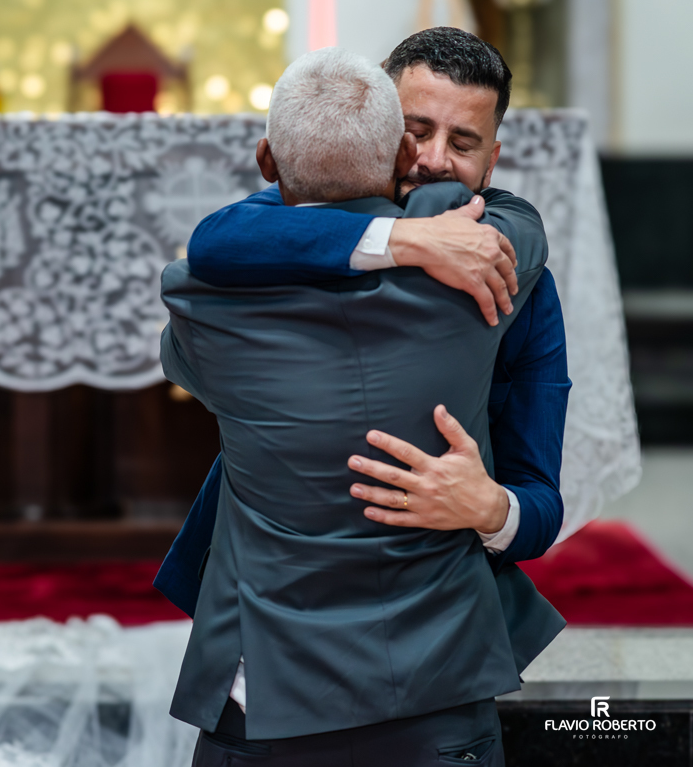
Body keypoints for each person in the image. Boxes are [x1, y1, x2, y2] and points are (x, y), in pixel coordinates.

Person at [162, 48, 558, 766]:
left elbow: (540, 501)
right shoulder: (502, 258)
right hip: (387, 678)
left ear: (493, 159)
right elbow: (227, 237)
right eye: (421, 132)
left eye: (462, 142)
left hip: (394, 675)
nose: (436, 161)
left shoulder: (209, 294)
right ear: (396, 141)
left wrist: (492, 508)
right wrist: (398, 235)